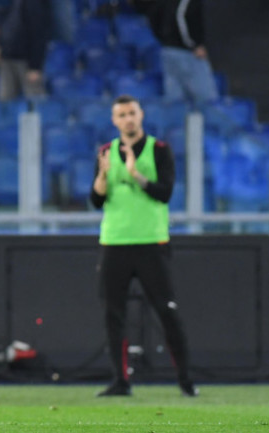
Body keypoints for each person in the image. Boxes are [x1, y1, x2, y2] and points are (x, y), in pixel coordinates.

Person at [90, 95, 198, 397]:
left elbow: (164, 193)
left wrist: (136, 173)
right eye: (122, 114)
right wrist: (102, 175)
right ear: (114, 120)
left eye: (132, 113)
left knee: (167, 312)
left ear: (141, 115)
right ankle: (120, 382)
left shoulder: (160, 150)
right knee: (114, 315)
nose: (128, 119)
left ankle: (185, 380)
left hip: (152, 242)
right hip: (114, 242)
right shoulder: (105, 152)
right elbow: (97, 199)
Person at [133, 0, 218, 106]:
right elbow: (181, 18)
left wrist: (164, 40)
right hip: (186, 53)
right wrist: (194, 44)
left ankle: (177, 122)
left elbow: (152, 14)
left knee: (175, 100)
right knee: (206, 98)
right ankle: (209, 122)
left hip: (168, 50)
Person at [0, 0, 52, 101]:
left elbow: (39, 34)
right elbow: (8, 26)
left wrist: (35, 66)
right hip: (7, 57)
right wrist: (0, 46)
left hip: (26, 61)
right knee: (5, 103)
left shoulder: (35, 3)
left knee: (34, 103)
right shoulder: (13, 3)